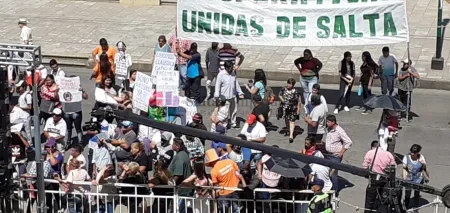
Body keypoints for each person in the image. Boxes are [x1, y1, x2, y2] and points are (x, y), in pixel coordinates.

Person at [205, 149, 246, 213]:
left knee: (224, 211)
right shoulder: (229, 161)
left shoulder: (213, 171)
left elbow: (216, 186)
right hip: (235, 189)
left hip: (223, 194)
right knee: (236, 210)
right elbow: (238, 172)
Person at [362, 141, 396, 213]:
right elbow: (393, 167)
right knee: (383, 200)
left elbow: (365, 166)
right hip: (385, 179)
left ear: (372, 147)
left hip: (374, 178)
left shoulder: (370, 153)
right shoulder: (388, 154)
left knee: (369, 200)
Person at [323, 115, 352, 195]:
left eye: (328, 122)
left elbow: (348, 142)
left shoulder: (339, 131)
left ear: (333, 122)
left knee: (333, 175)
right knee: (327, 172)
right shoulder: (329, 129)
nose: (327, 123)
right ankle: (328, 188)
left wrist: (342, 152)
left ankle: (334, 192)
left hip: (335, 156)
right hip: (328, 155)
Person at [215, 60, 245, 128]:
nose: (231, 69)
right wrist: (217, 96)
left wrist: (240, 92)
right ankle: (224, 125)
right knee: (224, 112)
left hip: (233, 96)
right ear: (226, 68)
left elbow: (236, 83)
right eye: (230, 68)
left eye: (232, 67)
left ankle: (233, 123)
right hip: (224, 97)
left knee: (234, 110)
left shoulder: (233, 73)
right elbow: (217, 86)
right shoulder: (221, 75)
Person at [169, 138, 193, 213]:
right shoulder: (183, 154)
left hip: (181, 190)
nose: (172, 146)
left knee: (179, 210)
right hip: (184, 189)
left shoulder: (180, 156)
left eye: (173, 144)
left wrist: (171, 185)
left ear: (177, 146)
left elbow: (178, 173)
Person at [403, 144, 430, 208]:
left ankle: (415, 206)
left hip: (418, 177)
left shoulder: (421, 157)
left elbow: (424, 167)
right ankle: (406, 206)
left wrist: (427, 176)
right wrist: (404, 179)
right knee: (407, 193)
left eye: (414, 153)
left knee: (417, 193)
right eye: (411, 152)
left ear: (418, 152)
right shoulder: (406, 158)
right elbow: (404, 169)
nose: (412, 154)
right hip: (409, 176)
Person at [63, 79, 88, 144]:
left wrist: (82, 91)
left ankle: (80, 143)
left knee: (78, 128)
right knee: (68, 129)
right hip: (67, 112)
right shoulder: (64, 89)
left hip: (76, 111)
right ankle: (67, 143)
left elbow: (86, 97)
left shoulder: (79, 90)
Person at [279, 78, 302, 142]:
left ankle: (291, 135)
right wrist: (283, 100)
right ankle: (288, 129)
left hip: (293, 108)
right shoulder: (283, 89)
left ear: (293, 85)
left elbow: (299, 101)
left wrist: (299, 108)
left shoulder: (297, 92)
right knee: (286, 119)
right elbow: (280, 95)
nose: (289, 85)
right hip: (285, 107)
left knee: (292, 121)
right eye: (288, 83)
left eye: (290, 84)